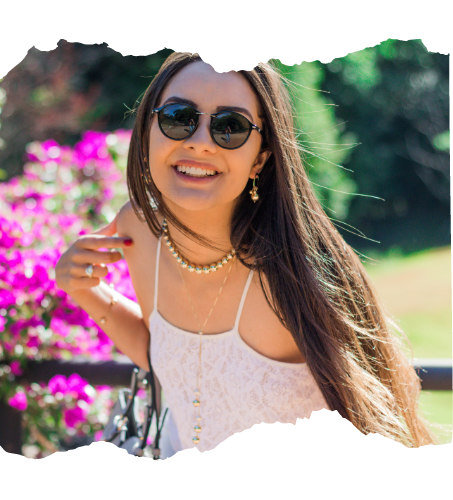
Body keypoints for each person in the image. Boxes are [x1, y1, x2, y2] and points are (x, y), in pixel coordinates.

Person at [57, 52, 437, 455]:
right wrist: (85, 290)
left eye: (230, 127)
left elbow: (383, 405)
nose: (199, 142)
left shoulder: (297, 271)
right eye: (178, 118)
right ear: (148, 131)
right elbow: (175, 361)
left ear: (259, 159)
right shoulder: (139, 230)